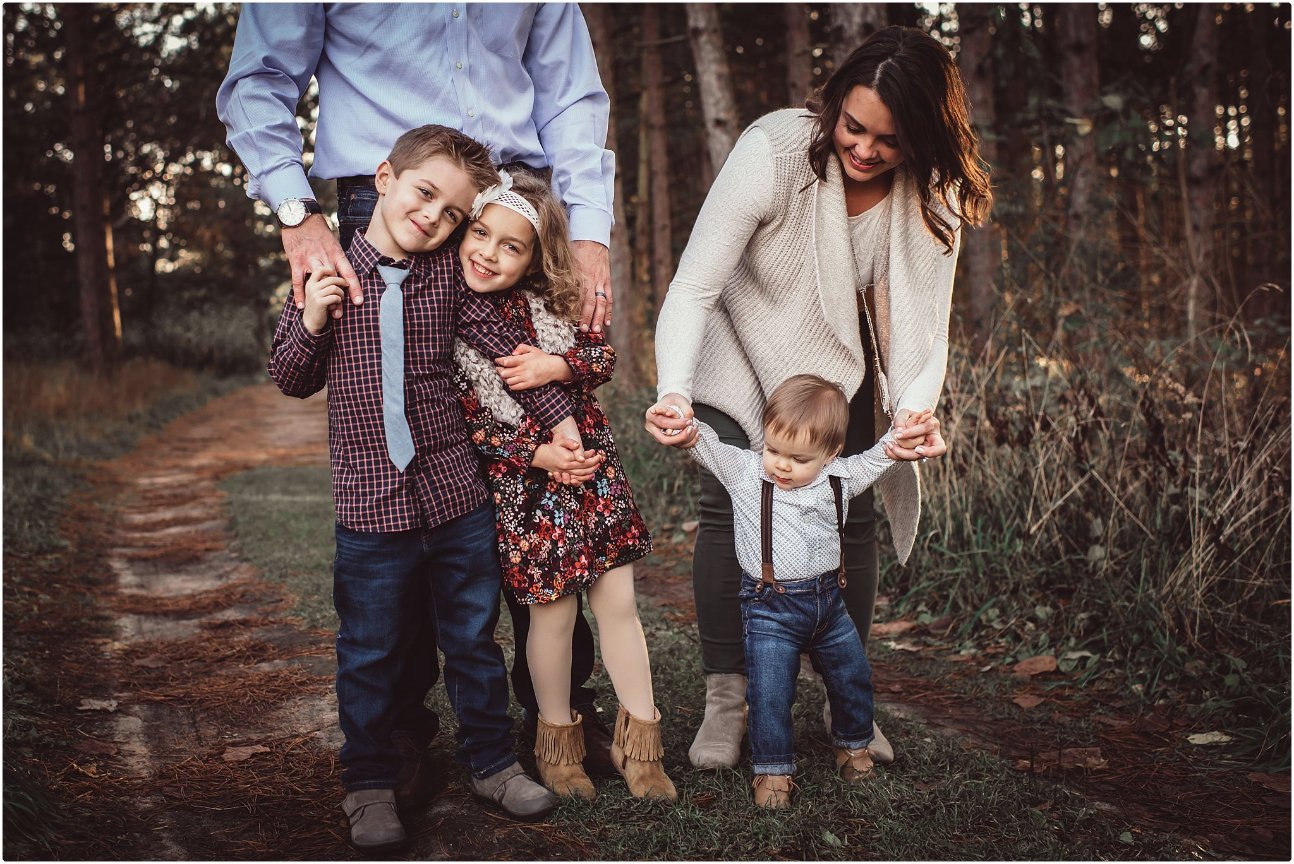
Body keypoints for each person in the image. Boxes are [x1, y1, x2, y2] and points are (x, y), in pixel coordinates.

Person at [216, 3, 619, 786]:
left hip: (519, 206)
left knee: (535, 471)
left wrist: (590, 235)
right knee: (405, 481)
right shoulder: (393, 209)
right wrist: (297, 214)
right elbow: (259, 79)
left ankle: (558, 715)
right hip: (388, 204)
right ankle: (396, 736)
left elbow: (571, 94)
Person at [644, 26, 991, 770]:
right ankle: (727, 699)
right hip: (736, 341)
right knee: (726, 501)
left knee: (850, 509)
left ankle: (845, 696)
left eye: (889, 141)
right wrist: (674, 389)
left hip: (836, 362)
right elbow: (695, 285)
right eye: (853, 127)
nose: (864, 150)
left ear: (924, 137)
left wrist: (915, 411)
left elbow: (928, 332)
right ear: (834, 105)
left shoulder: (936, 193)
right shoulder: (774, 151)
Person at [268, 126, 585, 850]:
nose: (435, 218)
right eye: (425, 194)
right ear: (382, 178)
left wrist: (561, 418)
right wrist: (315, 313)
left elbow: (511, 355)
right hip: (370, 510)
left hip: (454, 500)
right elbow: (289, 375)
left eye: (452, 213)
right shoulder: (327, 268)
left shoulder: (448, 276)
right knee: (371, 650)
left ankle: (492, 761)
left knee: (473, 640)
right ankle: (370, 780)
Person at [451, 169, 676, 802]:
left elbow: (602, 358)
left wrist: (558, 362)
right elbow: (471, 425)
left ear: (533, 258)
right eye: (480, 234)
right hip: (528, 490)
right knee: (551, 616)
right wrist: (540, 453)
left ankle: (642, 748)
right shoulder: (452, 326)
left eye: (510, 245)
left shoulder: (554, 304)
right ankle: (558, 746)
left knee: (618, 606)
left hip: (593, 477)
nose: (489, 253)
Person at [686, 375, 931, 808]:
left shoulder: (839, 478)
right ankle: (774, 769)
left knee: (851, 678)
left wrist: (905, 434)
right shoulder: (746, 473)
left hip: (830, 607)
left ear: (830, 454)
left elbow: (881, 456)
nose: (781, 464)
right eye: (774, 450)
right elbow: (706, 445)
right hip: (769, 610)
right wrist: (683, 426)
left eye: (798, 458)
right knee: (771, 692)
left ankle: (853, 743)